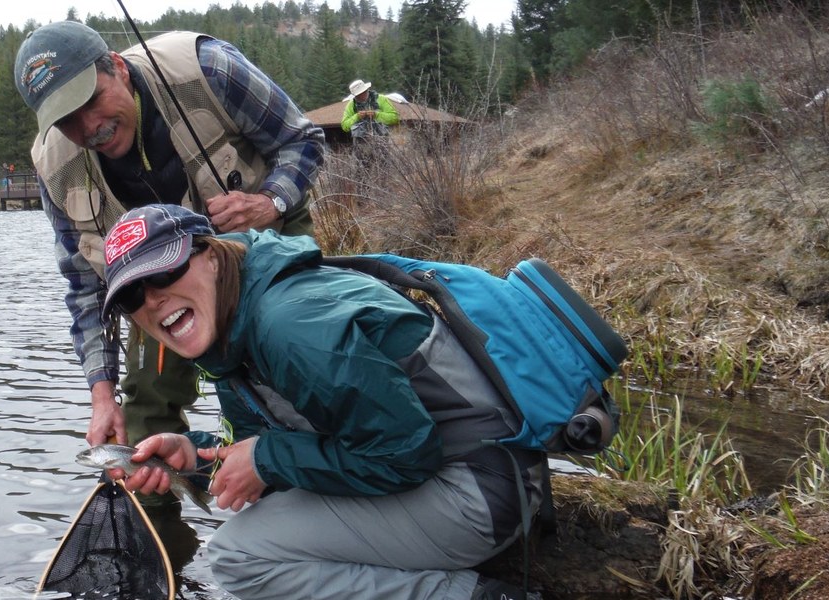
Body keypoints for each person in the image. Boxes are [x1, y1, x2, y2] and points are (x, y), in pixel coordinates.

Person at [99, 204, 546, 600]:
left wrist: (268, 459)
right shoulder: (235, 324)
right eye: (133, 296)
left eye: (163, 272)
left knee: (239, 557)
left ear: (211, 257)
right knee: (263, 508)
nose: (153, 299)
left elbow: (407, 453)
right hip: (470, 474)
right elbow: (267, 451)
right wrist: (192, 456)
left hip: (480, 492)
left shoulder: (290, 325)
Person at [12, 22, 324, 469]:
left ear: (117, 67)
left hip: (261, 247)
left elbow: (302, 140)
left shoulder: (205, 68)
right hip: (157, 287)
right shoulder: (54, 167)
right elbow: (84, 287)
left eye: (91, 101)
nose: (89, 128)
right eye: (66, 120)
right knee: (141, 434)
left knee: (301, 380)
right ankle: (168, 521)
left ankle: (316, 479)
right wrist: (102, 393)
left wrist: (269, 201)